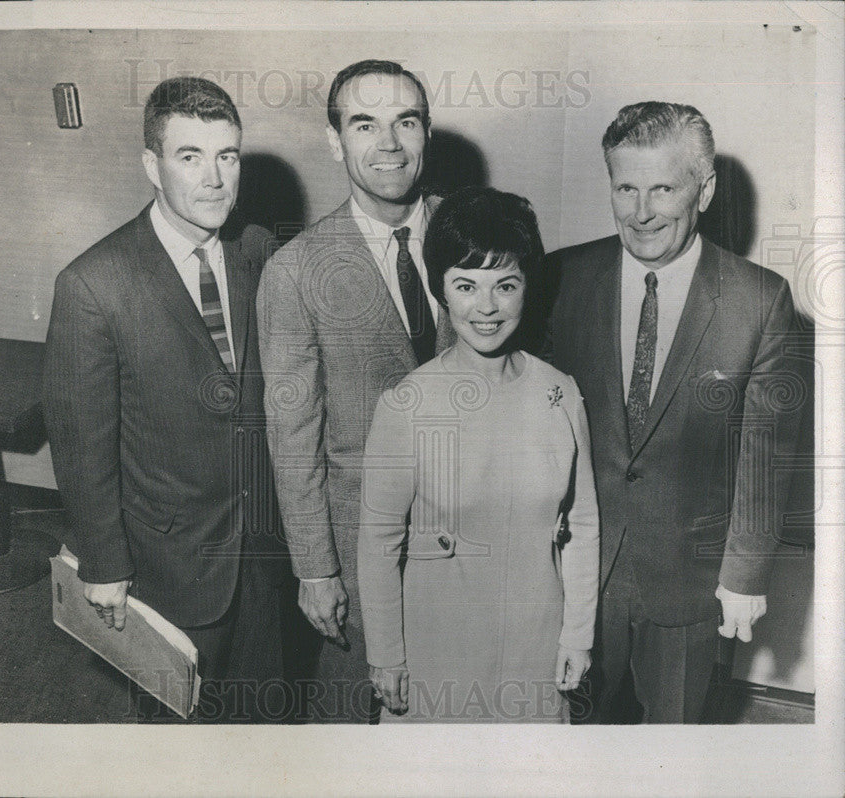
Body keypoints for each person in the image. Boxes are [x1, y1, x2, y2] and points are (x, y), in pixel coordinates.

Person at [545, 101, 806, 723]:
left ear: (705, 189)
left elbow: (765, 459)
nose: (641, 212)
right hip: (577, 581)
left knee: (678, 760)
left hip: (691, 587)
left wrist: (742, 575)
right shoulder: (560, 279)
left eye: (663, 188)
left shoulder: (761, 301)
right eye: (625, 188)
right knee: (571, 748)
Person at [43, 76, 286, 723]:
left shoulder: (258, 250)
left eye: (227, 156)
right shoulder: (93, 285)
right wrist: (103, 562)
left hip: (263, 556)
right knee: (176, 743)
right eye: (190, 157)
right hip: (166, 567)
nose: (214, 179)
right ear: (151, 165)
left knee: (264, 729)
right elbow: (80, 444)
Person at [256, 59, 456, 722]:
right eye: (365, 124)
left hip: (475, 533)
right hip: (360, 545)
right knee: (351, 723)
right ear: (336, 142)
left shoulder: (478, 237)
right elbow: (293, 437)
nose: (390, 143)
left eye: (406, 122)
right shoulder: (296, 270)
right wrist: (316, 569)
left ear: (428, 134)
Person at [357, 187, 599, 722]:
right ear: (442, 289)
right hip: (436, 657)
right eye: (466, 285)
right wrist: (387, 658)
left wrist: (578, 636)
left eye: (504, 285)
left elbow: (582, 526)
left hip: (537, 654)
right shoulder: (407, 404)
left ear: (526, 288)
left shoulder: (560, 393)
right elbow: (378, 542)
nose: (486, 308)